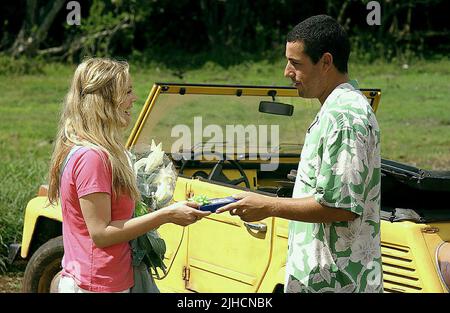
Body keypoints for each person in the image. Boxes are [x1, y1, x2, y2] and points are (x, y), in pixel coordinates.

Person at [217, 15, 383, 293]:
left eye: (296, 63)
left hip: (337, 284)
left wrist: (268, 206)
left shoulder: (345, 118)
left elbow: (340, 206)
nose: (287, 72)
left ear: (326, 62)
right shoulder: (335, 110)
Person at [47, 57, 210, 293]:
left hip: (101, 280)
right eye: (128, 91)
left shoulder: (92, 149)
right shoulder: (93, 158)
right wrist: (166, 215)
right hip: (97, 285)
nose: (134, 98)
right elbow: (101, 234)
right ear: (105, 101)